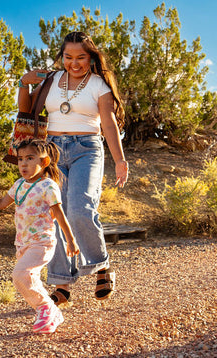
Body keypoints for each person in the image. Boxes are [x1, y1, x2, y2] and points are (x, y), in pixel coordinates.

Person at [18, 31, 128, 306]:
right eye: (69, 57)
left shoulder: (99, 85)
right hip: (51, 151)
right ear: (62, 56)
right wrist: (23, 83)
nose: (74, 63)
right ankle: (62, 281)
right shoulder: (51, 79)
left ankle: (101, 266)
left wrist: (120, 159)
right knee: (56, 215)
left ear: (91, 58)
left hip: (86, 148)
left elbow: (108, 123)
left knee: (81, 209)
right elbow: (26, 111)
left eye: (81, 57)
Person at [0, 139, 79, 334]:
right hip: (22, 243)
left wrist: (71, 239)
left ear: (44, 162)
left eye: (30, 158)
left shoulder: (48, 186)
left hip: (42, 242)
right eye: (20, 159)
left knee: (20, 275)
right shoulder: (19, 185)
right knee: (26, 279)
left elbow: (59, 214)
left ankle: (46, 308)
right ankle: (49, 310)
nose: (23, 164)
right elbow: (1, 202)